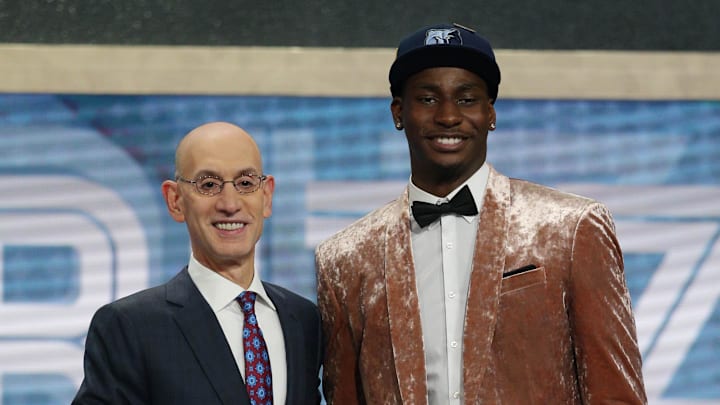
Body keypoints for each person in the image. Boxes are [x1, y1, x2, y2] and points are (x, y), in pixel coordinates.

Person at [315, 23, 647, 404]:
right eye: (427, 99)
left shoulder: (572, 228)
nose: (448, 116)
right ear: (398, 112)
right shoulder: (343, 258)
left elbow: (615, 394)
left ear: (490, 113)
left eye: (467, 99)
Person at [73, 122, 323, 404]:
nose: (230, 203)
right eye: (208, 185)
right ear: (175, 200)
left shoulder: (304, 321)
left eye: (245, 183)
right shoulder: (129, 327)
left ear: (266, 196)